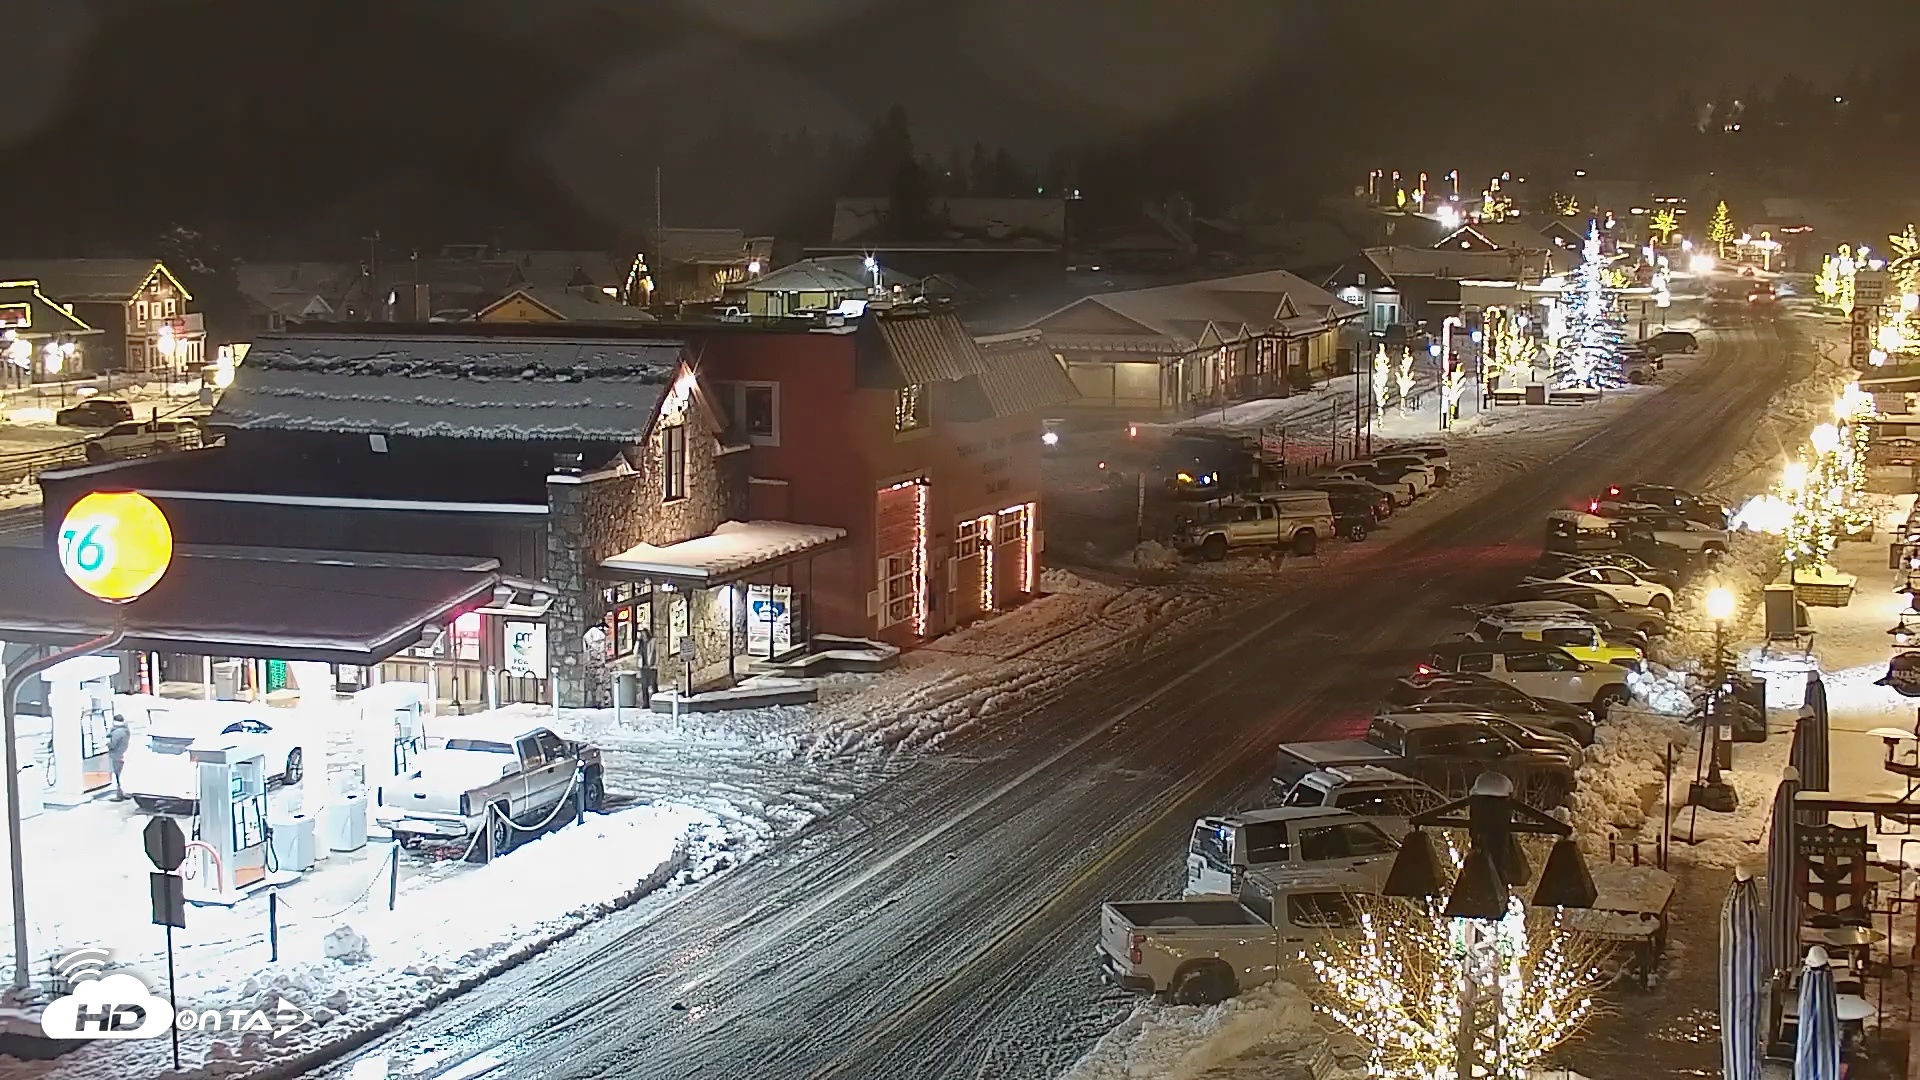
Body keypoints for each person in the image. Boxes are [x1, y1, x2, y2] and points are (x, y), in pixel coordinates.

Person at [106, 715, 131, 800]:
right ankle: (124, 793)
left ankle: (119, 795)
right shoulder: (125, 730)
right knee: (122, 775)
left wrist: (107, 744)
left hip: (117, 755)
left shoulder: (117, 732)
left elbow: (113, 744)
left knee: (118, 776)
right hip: (123, 754)